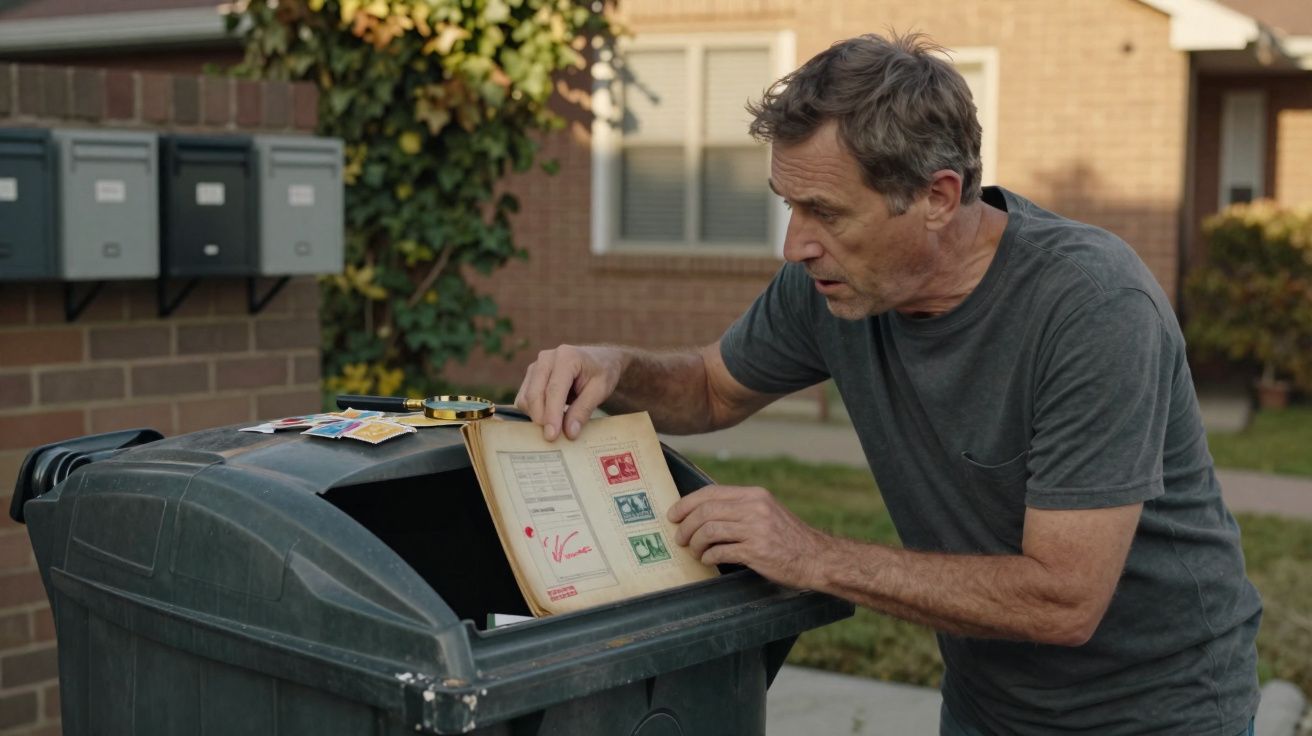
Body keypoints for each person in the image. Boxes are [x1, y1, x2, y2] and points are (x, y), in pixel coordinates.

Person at [514, 32, 1261, 735]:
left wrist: (811, 556)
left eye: (826, 212)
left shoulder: (1092, 308)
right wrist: (615, 366)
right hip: (986, 703)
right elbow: (712, 388)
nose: (795, 244)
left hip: (1160, 708)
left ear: (937, 197)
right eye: (790, 206)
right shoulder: (831, 284)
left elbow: (1063, 599)